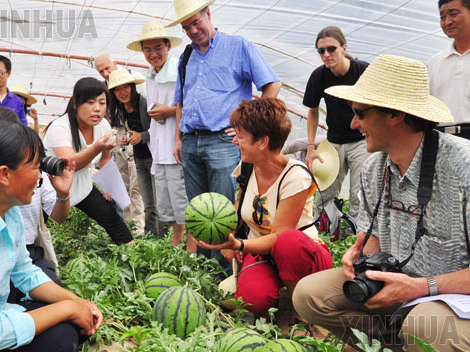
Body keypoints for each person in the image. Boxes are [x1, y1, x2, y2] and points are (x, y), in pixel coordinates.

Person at [293, 54, 470, 352]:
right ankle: (393, 345)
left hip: (454, 301)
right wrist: (359, 252)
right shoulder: (376, 168)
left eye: (360, 113)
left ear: (395, 115)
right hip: (402, 294)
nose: (352, 123)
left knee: (423, 326)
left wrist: (422, 287)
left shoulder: (463, 167)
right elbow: (373, 237)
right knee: (309, 295)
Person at [0, 120, 103, 352]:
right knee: (60, 335)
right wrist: (68, 309)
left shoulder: (9, 211)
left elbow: (25, 272)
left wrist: (78, 302)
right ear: (4, 175)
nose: (41, 175)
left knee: (69, 328)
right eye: (34, 166)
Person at [168, 0, 282, 266]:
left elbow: (272, 84)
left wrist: (250, 125)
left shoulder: (238, 46)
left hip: (223, 141)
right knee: (198, 212)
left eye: (196, 22)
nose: (193, 30)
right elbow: (180, 102)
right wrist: (178, 139)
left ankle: (223, 273)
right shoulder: (186, 56)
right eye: (187, 27)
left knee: (221, 212)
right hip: (190, 141)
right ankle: (202, 270)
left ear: (208, 14)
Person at [196, 98, 332, 317]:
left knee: (288, 241)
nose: (234, 142)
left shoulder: (295, 176)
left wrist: (240, 245)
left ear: (262, 142)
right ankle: (282, 294)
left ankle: (304, 312)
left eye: (240, 137)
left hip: (302, 257)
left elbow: (279, 237)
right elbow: (238, 208)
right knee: (252, 302)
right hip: (264, 256)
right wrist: (228, 237)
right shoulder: (248, 167)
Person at [0, 105, 74, 291]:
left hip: (27, 253)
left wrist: (62, 194)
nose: (38, 176)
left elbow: (24, 271)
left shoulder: (14, 209)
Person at [127, 21, 194, 250]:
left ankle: (191, 253)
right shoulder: (150, 76)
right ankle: (176, 248)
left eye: (158, 48)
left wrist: (168, 111)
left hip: (176, 150)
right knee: (168, 207)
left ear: (168, 46)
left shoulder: (178, 70)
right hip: (160, 151)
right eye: (148, 49)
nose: (153, 54)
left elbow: (188, 106)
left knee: (183, 206)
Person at [43, 77, 134, 245]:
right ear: (76, 103)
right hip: (52, 186)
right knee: (37, 229)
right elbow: (69, 165)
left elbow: (105, 160)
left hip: (82, 185)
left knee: (112, 220)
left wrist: (110, 189)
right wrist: (96, 148)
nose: (97, 109)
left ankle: (135, 256)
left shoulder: (104, 126)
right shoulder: (59, 128)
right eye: (90, 103)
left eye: (102, 102)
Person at [303, 26, 370, 222]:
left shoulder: (363, 71)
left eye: (331, 49)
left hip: (362, 141)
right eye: (321, 51)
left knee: (361, 196)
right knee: (324, 195)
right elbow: (313, 111)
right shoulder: (319, 76)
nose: (326, 54)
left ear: (343, 47)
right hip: (334, 142)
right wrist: (310, 147)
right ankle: (323, 239)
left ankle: (357, 243)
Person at [108, 68, 165, 237]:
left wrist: (142, 136)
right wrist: (127, 137)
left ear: (132, 87)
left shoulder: (144, 103)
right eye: (117, 89)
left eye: (125, 87)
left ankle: (163, 237)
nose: (122, 92)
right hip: (139, 159)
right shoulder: (121, 108)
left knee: (159, 203)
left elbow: (159, 130)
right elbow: (133, 130)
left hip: (154, 158)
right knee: (148, 204)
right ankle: (150, 237)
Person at [94, 53, 145, 231]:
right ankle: (127, 224)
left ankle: (139, 227)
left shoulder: (132, 80)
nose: (106, 73)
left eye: (107, 68)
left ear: (115, 63)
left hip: (132, 134)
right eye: (101, 71)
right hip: (116, 135)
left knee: (135, 183)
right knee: (122, 182)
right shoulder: (105, 88)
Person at [428, 0, 470, 139]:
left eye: (453, 14)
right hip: (441, 137)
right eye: (442, 17)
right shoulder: (435, 62)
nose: (447, 22)